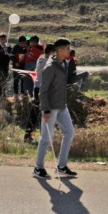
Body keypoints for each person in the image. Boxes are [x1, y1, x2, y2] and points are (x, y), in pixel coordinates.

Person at [33, 38, 76, 179]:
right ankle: (38, 168)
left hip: (62, 106)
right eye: (67, 48)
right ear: (60, 50)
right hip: (50, 107)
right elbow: (43, 91)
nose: (70, 51)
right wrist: (45, 110)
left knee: (69, 132)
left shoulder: (63, 63)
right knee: (46, 138)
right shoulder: (50, 67)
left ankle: (61, 166)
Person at [24, 44, 55, 143]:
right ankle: (45, 135)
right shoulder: (48, 62)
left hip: (37, 89)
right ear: (51, 52)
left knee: (35, 111)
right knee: (46, 112)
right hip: (44, 90)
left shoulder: (40, 60)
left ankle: (29, 134)